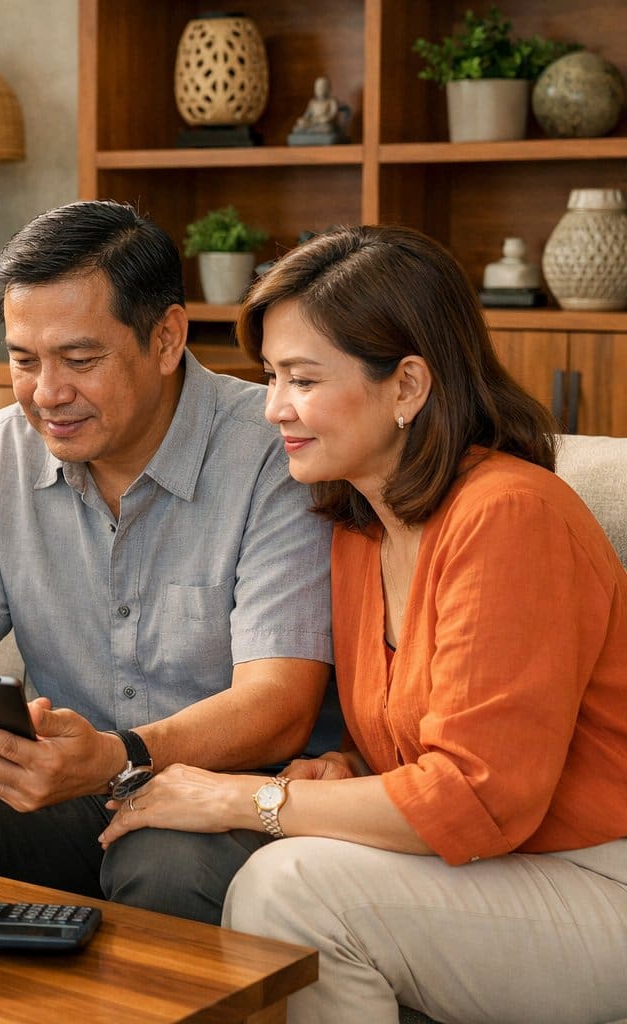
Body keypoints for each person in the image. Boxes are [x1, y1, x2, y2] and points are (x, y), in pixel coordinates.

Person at [99, 225, 627, 1023]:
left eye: (303, 379)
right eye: (271, 377)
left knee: (291, 889)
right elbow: (429, 729)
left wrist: (243, 799)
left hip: (596, 880)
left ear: (408, 385)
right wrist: (345, 765)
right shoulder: (358, 528)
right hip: (497, 867)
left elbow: (476, 797)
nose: (274, 407)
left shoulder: (511, 514)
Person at [0, 200, 334, 924]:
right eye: (22, 361)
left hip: (221, 798)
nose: (47, 394)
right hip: (65, 789)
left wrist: (114, 755)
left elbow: (279, 708)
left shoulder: (270, 453)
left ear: (166, 339)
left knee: (162, 861)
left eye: (78, 359)